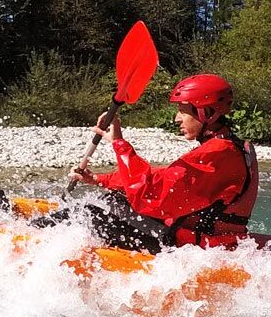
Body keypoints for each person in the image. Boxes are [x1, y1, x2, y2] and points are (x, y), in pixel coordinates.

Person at [69, 73, 258, 252]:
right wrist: (99, 179)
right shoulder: (232, 147)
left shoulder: (217, 153)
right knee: (115, 200)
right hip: (201, 240)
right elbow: (165, 178)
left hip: (192, 249)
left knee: (89, 215)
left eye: (182, 112)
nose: (177, 119)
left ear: (206, 113)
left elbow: (150, 194)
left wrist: (119, 144)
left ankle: (41, 234)